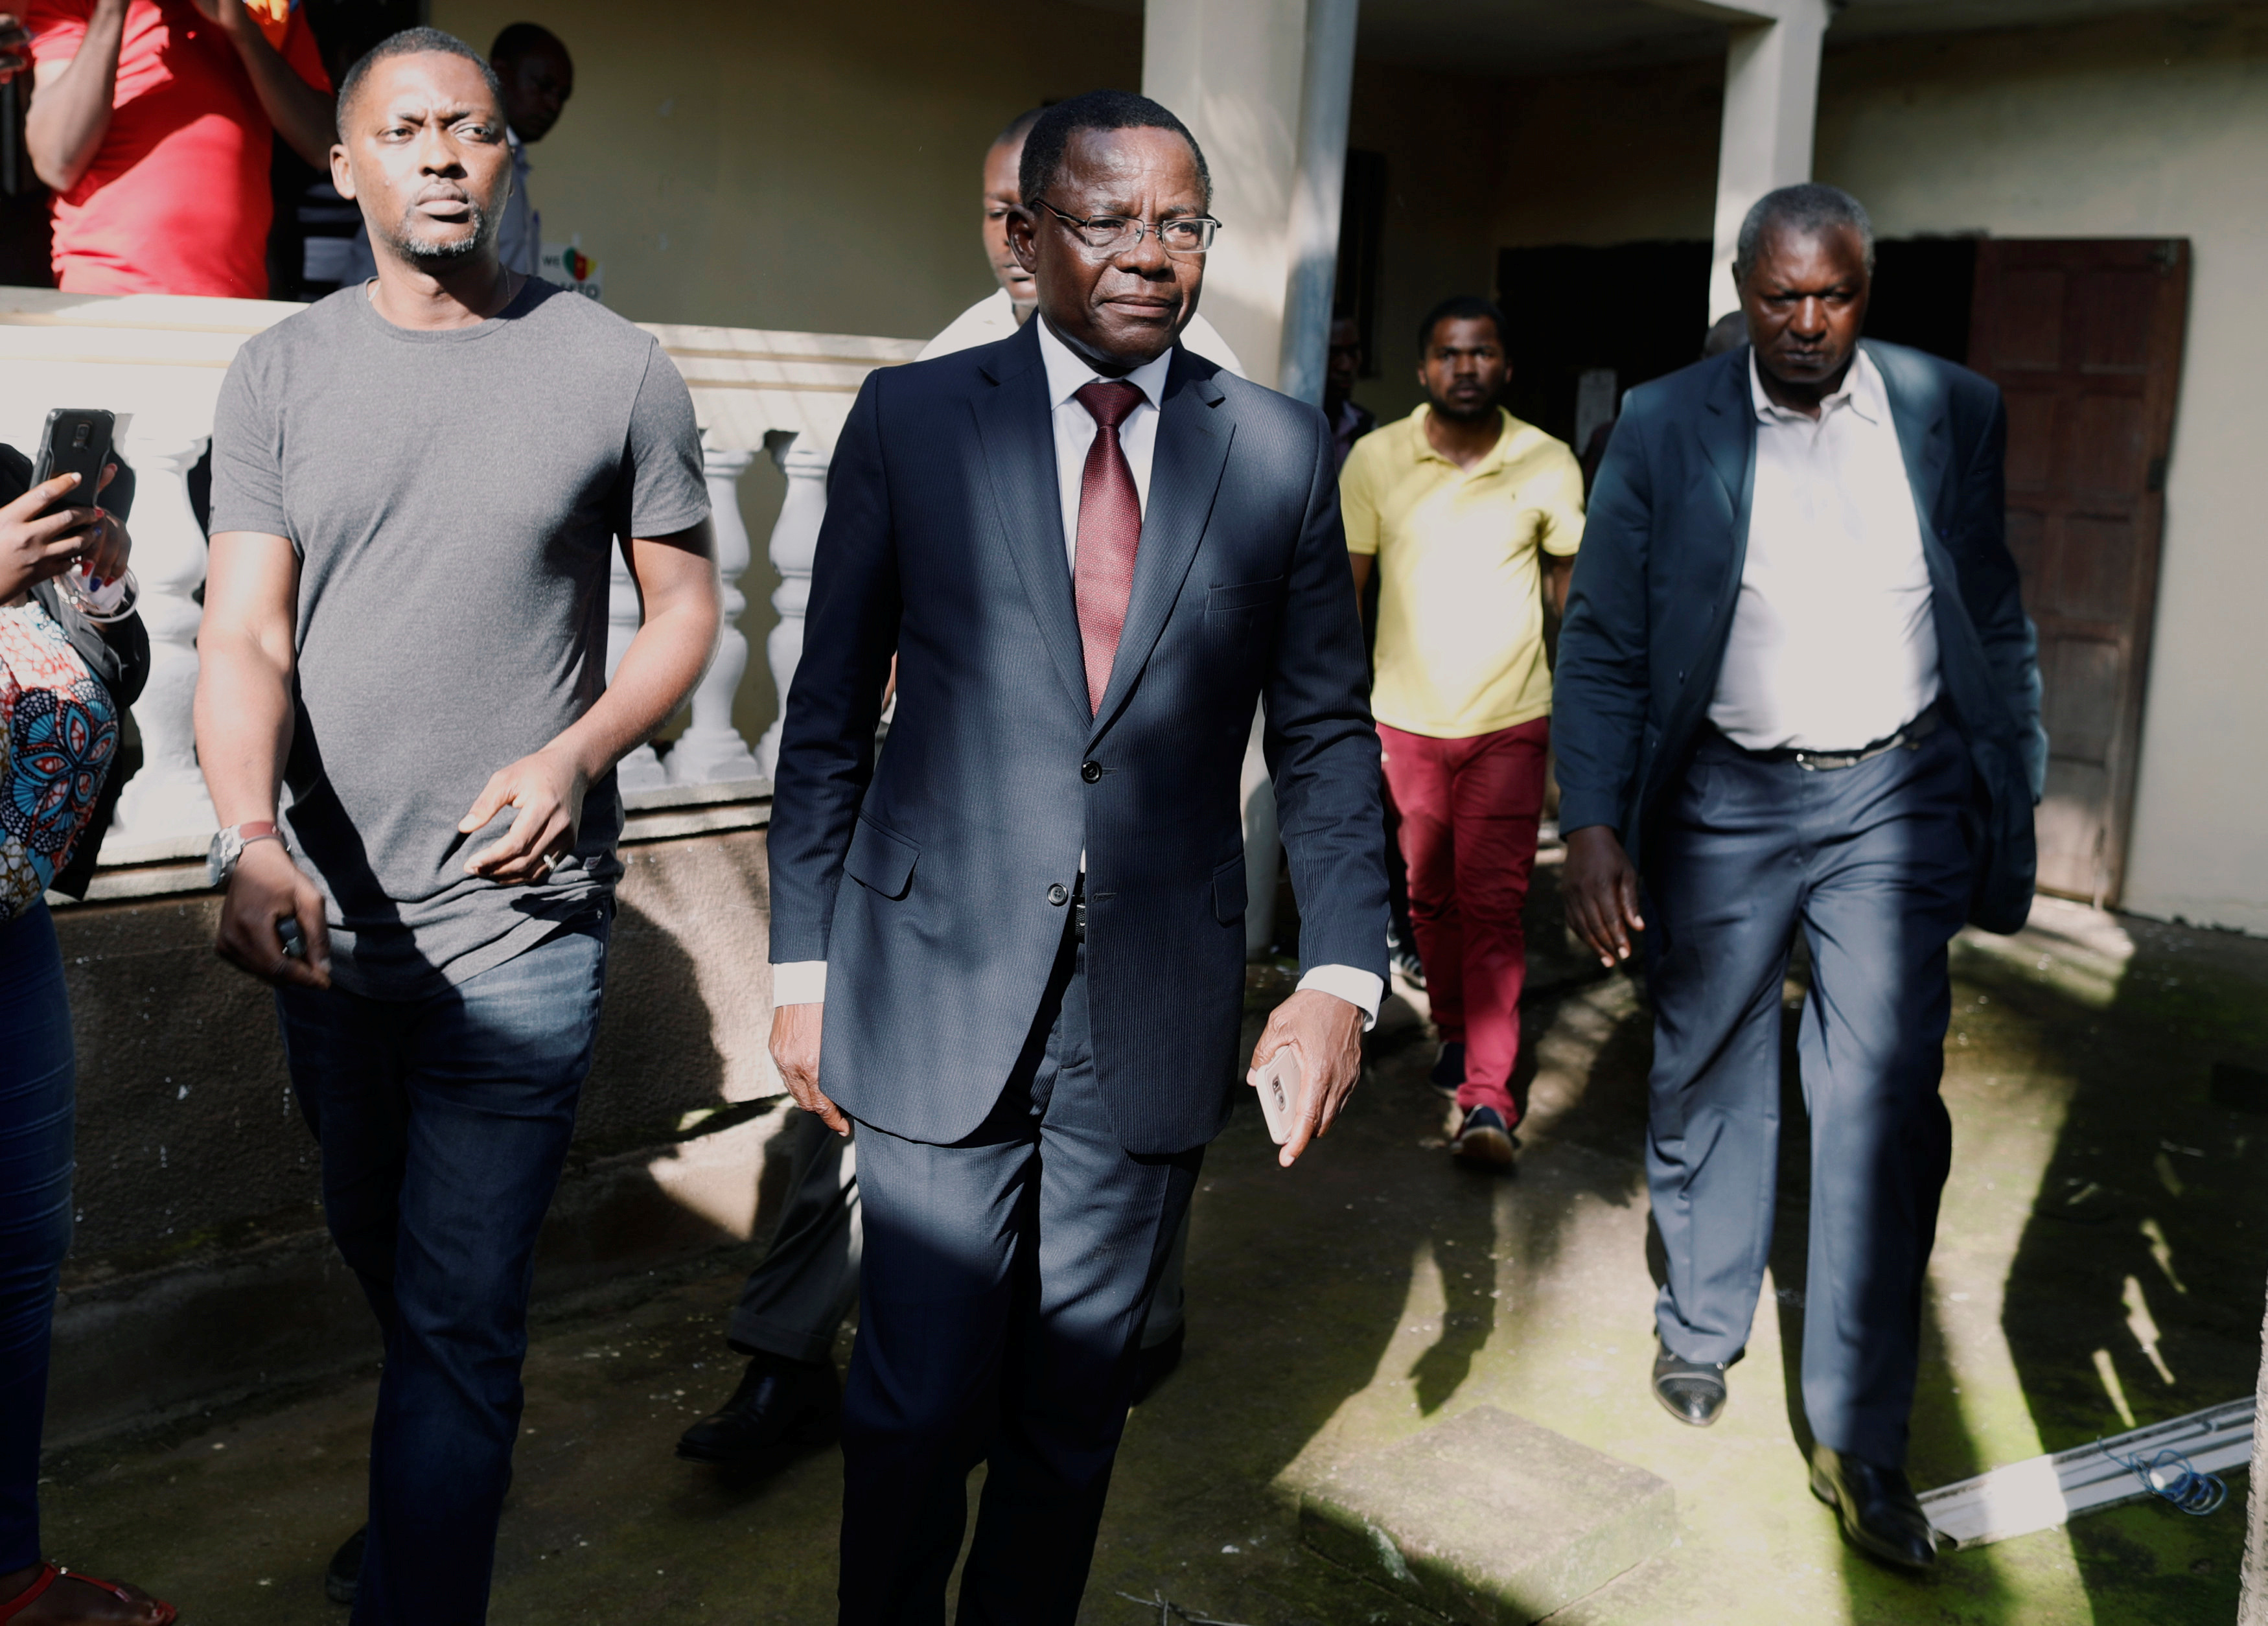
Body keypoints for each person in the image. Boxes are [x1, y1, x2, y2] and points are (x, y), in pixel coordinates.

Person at [768, 89, 1388, 1623]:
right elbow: (829, 714)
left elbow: (1322, 735)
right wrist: (800, 966)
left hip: (1155, 998)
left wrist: (1340, 972)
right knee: (912, 1403)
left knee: (1075, 1406)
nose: (1147, 254)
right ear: (1027, 236)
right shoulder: (914, 421)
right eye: (1106, 219)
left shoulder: (1282, 455)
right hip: (929, 981)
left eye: (1180, 222)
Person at [193, 28, 718, 1621]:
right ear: (340, 165)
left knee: (460, 1306)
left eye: (470, 129)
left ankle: (423, 1570)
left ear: (509, 158)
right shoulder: (281, 369)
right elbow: (245, 634)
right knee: (386, 1245)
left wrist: (575, 753)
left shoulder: (614, 366)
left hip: (524, 927)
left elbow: (684, 612)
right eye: (403, 130)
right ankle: (438, 1474)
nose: (440, 154)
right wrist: (244, 834)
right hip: (329, 923)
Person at [676, 96, 1244, 1475]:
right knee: (852, 1120)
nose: (1015, 237)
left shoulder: (1197, 371)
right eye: (1001, 213)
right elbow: (850, 661)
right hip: (932, 835)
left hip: (1127, 858)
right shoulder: (932, 380)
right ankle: (785, 1359)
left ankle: (1114, 1340)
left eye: (1043, 211)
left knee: (1106, 1179)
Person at [1554, 183, 2042, 1572]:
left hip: (1891, 794)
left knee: (1880, 1100)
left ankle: (1857, 1435)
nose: (1808, 324)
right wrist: (1592, 819)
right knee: (1706, 1062)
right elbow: (1600, 637)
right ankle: (1700, 1323)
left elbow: (1989, 606)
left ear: (1863, 291)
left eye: (1832, 297)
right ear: (1743, 290)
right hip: (1723, 796)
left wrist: (2011, 770)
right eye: (1781, 300)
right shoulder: (1663, 424)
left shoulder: (1952, 411)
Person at [1342, 296, 1582, 1172]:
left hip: (1510, 721)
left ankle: (1488, 1097)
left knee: (1493, 907)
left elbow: (1572, 602)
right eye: (1449, 353)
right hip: (1405, 721)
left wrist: (1582, 718)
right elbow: (1347, 595)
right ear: (1423, 369)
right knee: (1430, 895)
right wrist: (1341, 713)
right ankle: (1454, 1027)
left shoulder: (1546, 462)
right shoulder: (1375, 460)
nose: (1467, 367)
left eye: (1483, 352)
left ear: (1506, 367)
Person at [0, 450, 170, 1626]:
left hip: (9, 925)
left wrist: (98, 588)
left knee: (15, 1255)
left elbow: (111, 672)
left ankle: (7, 1567)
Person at [20, 0, 334, 297]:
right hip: (109, 296)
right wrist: (112, 10)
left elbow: (325, 146)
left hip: (234, 300)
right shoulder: (73, 5)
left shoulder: (270, 5)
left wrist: (244, 33)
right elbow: (56, 163)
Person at [916, 105, 1244, 373]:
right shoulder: (947, 358)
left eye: (1104, 223)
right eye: (999, 212)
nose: (1147, 258)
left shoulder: (1204, 364)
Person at [338, 22, 571, 287]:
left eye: (562, 96)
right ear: (503, 76)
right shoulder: (430, 165)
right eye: (544, 86)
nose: (553, 105)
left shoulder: (512, 161)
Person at [1324, 314, 1376, 472]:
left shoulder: (1365, 426)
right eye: (1334, 354)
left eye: (1352, 353)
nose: (1346, 366)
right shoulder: (1290, 423)